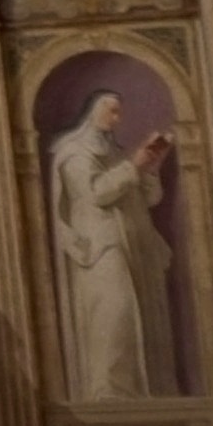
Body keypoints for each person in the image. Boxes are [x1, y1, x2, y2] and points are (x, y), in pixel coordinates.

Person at [50, 89, 179, 397]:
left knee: (145, 316)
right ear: (92, 111)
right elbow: (96, 194)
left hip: (133, 245)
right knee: (114, 312)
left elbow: (149, 197)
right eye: (111, 111)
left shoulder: (117, 154)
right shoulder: (75, 153)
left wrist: (148, 166)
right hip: (100, 248)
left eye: (119, 112)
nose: (116, 118)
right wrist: (133, 167)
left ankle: (142, 391)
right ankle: (109, 391)